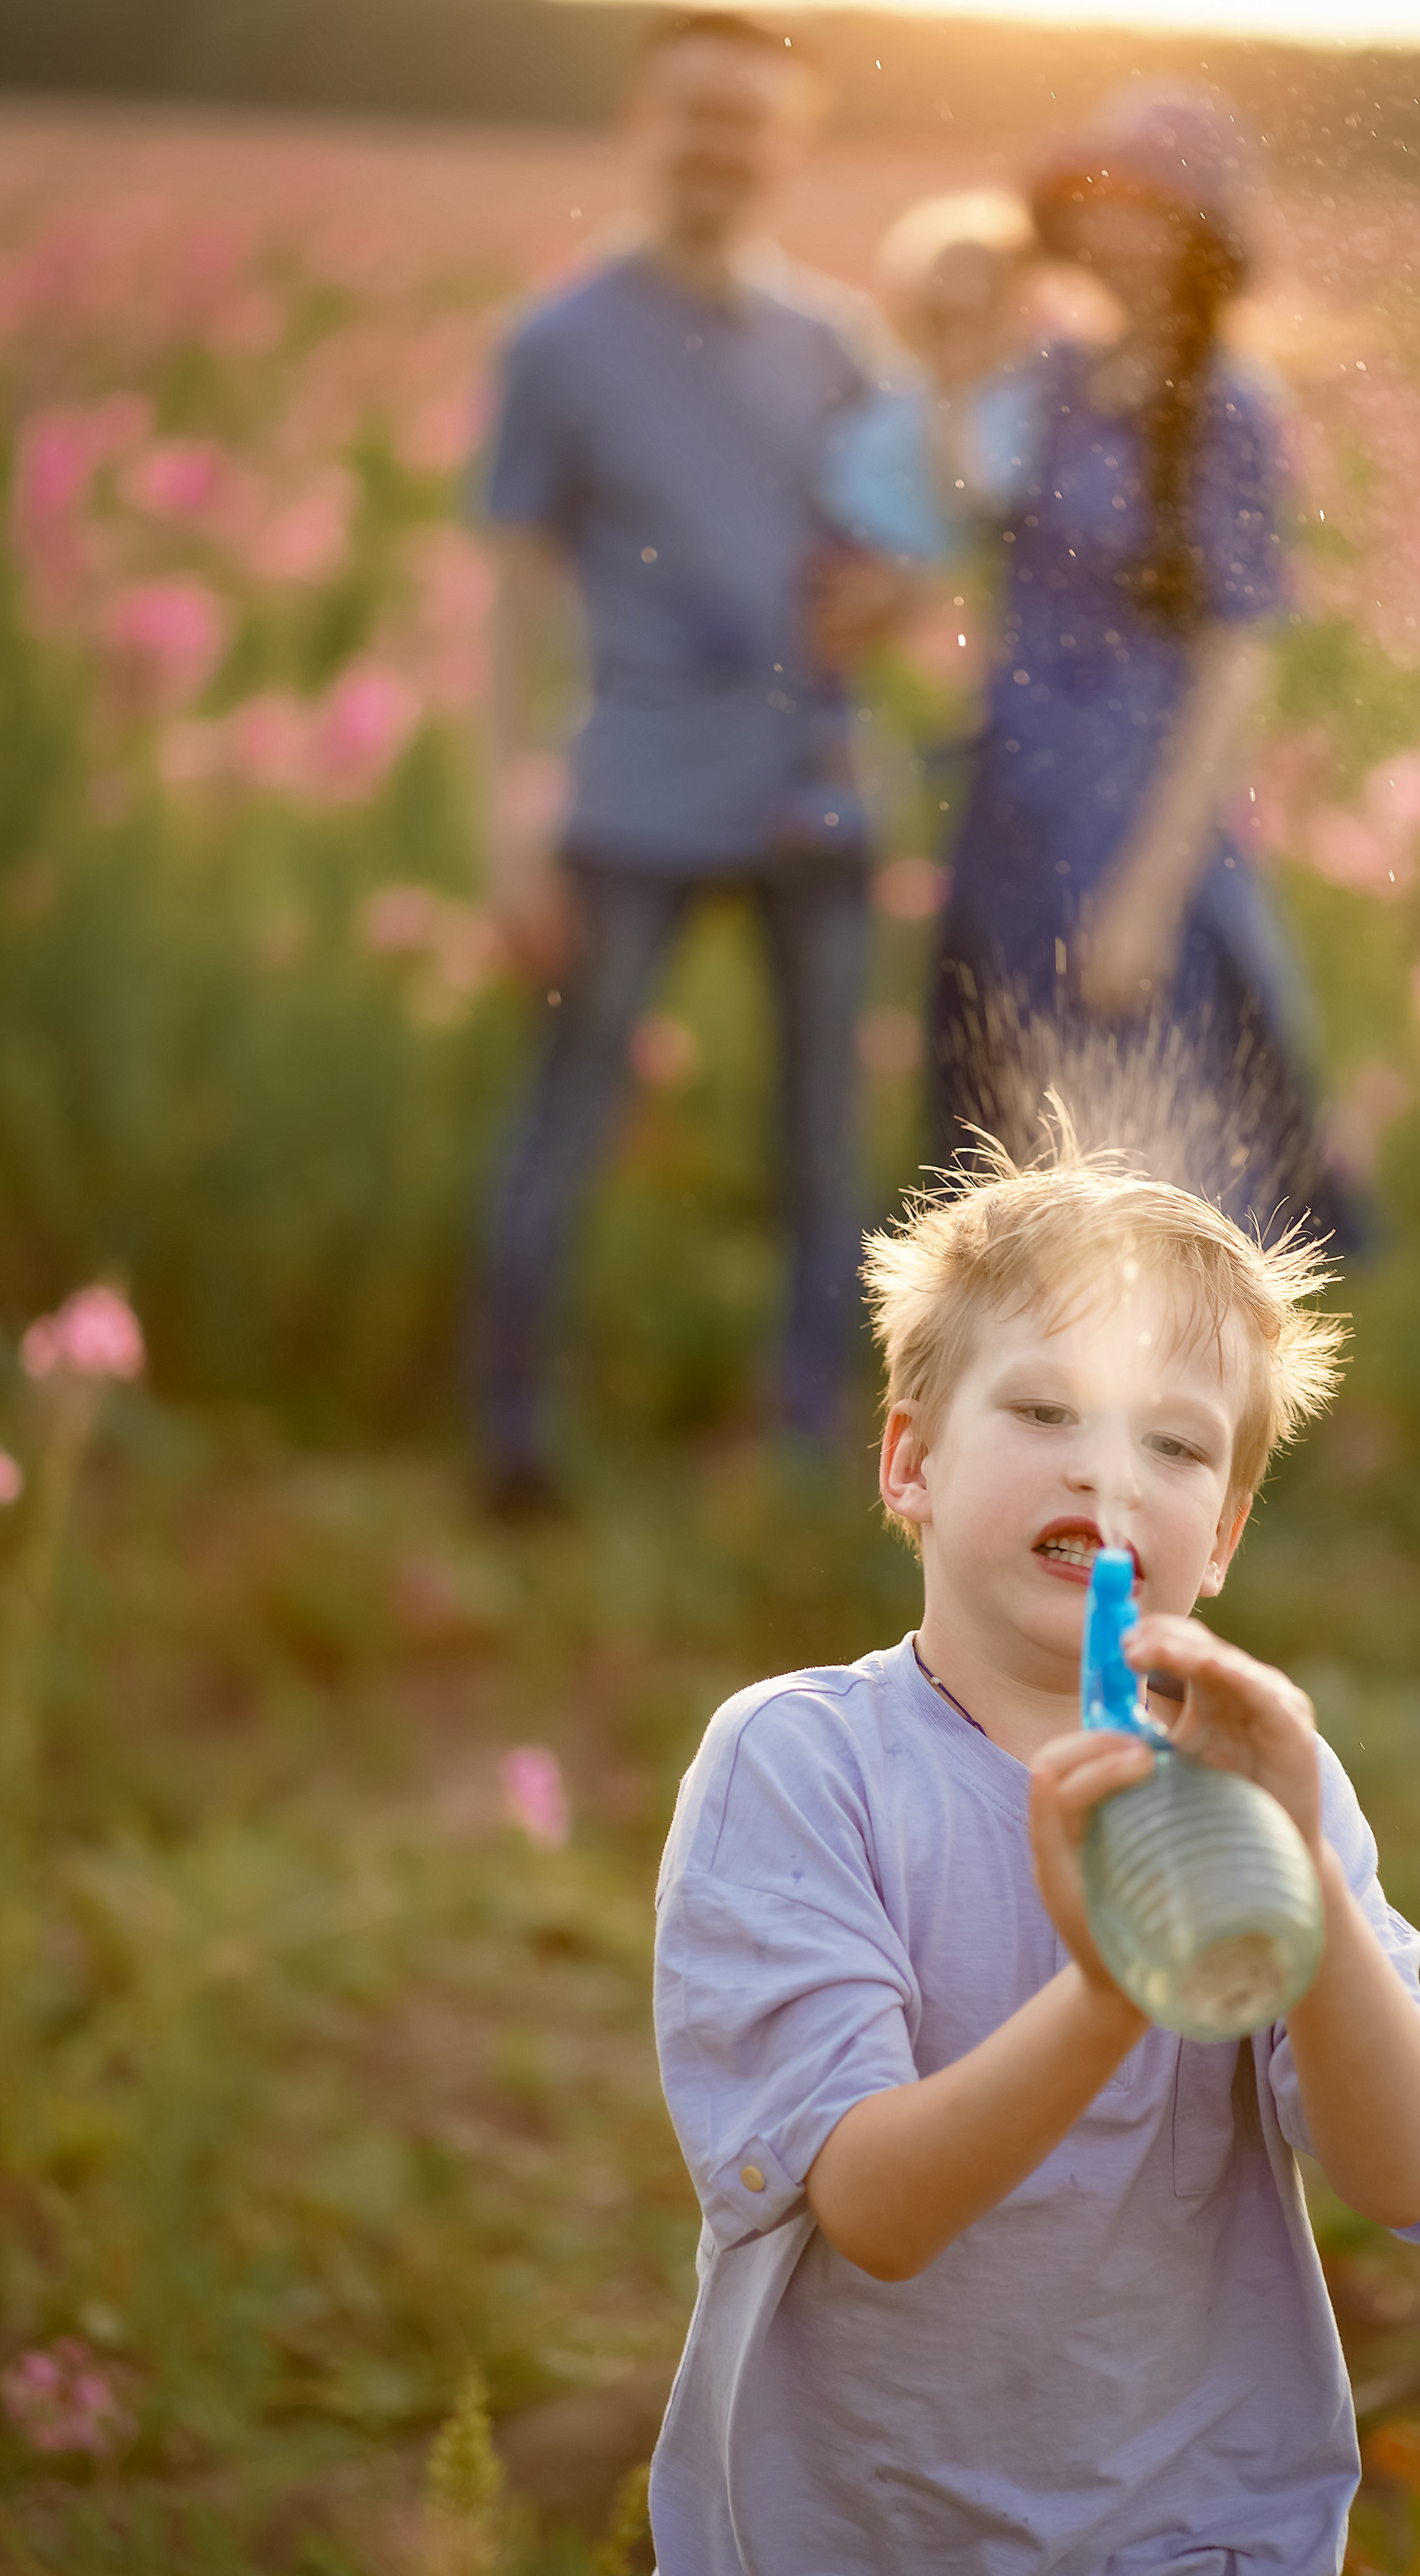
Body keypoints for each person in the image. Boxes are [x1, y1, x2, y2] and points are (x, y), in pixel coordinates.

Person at [640, 1115, 1420, 2576]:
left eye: (1175, 1445)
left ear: (1221, 1537)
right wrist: (1112, 1990)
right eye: (1044, 1411)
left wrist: (1290, 1873)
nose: (1106, 1470)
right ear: (911, 1461)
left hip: (1193, 2574)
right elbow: (875, 2214)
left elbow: (1406, 2172)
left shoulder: (1259, 1777)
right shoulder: (801, 1768)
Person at [475, 11, 879, 1510]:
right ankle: (513, 1447)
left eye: (754, 121)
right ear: (642, 124)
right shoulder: (559, 345)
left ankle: (810, 1445)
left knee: (822, 1142)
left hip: (813, 795)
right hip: (633, 796)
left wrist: (887, 600)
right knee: (567, 1115)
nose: (725, 146)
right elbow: (513, 608)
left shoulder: (838, 346)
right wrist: (509, 822)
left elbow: (903, 544)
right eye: (698, 114)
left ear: (793, 145)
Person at [934, 88, 1355, 1245]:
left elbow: (1235, 665)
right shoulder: (1057, 378)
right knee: (1011, 1170)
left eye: (1150, 211)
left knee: (1146, 1189)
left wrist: (1148, 896)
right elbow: (971, 506)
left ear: (1200, 238)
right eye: (1100, 205)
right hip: (1013, 814)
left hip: (1132, 826)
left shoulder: (1230, 406)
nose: (1115, 233)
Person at [817, 190, 1040, 572]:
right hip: (886, 573)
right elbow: (844, 492)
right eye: (938, 318)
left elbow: (986, 504)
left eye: (976, 315)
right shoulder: (893, 394)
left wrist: (953, 406)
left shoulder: (1028, 401)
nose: (957, 338)